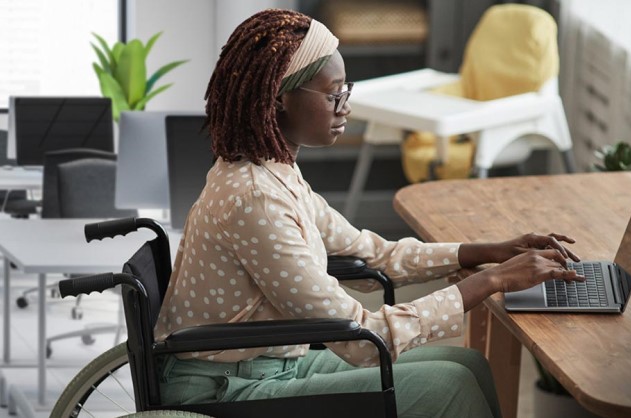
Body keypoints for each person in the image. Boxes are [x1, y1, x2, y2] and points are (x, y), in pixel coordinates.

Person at [154, 8, 584, 418]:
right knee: (449, 386)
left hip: (268, 361)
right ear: (280, 99)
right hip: (224, 388)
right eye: (333, 94)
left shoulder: (274, 171)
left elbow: (372, 253)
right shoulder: (255, 200)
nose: (346, 107)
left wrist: (489, 252)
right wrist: (493, 280)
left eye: (347, 91)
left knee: (467, 365)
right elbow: (362, 339)